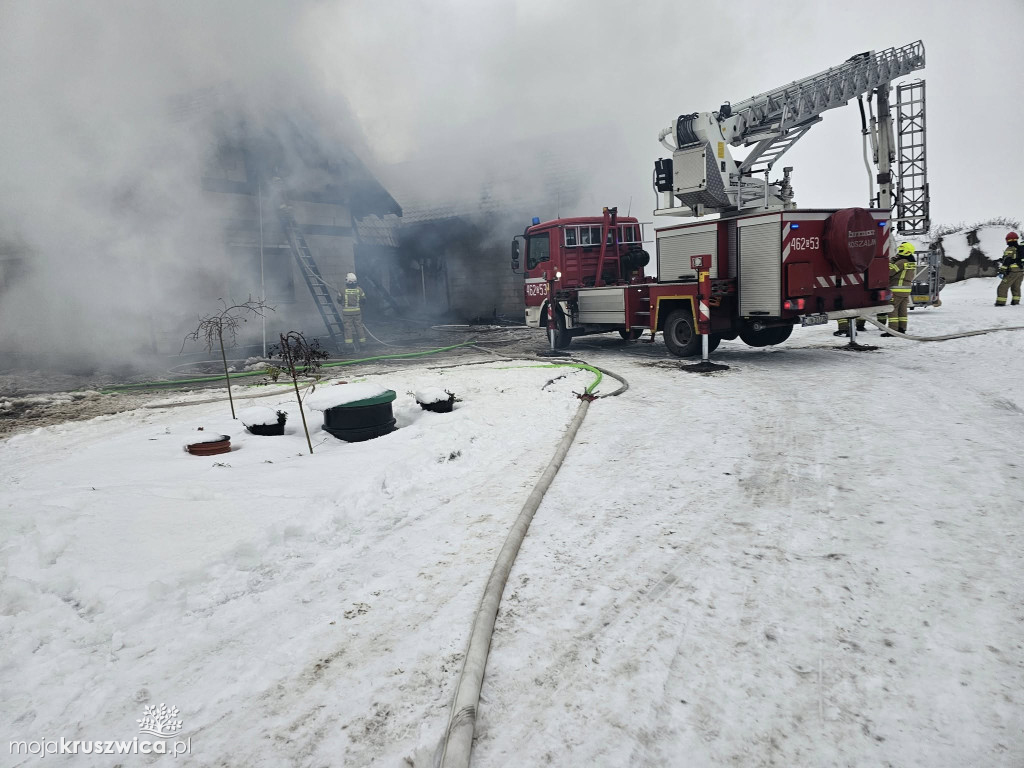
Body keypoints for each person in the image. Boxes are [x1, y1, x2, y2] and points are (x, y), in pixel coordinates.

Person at [881, 242, 917, 336]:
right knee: (902, 310)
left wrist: (892, 261)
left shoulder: (901, 262)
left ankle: (892, 330)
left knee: (893, 309)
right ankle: (902, 328)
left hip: (896, 289)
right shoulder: (911, 263)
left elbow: (889, 272)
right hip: (906, 290)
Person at [338, 272, 367, 352]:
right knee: (359, 327)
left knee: (348, 329)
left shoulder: (342, 290)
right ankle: (363, 344)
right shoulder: (359, 289)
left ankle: (349, 346)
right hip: (357, 312)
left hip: (347, 314)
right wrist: (360, 305)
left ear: (347, 280)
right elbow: (364, 300)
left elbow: (338, 300)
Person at [995, 232, 1024, 306]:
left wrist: (1002, 271)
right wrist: (1001, 259)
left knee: (1002, 287)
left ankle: (1000, 303)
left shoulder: (1010, 248)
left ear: (1008, 240)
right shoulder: (1020, 248)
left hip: (1012, 272)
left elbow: (1007, 260)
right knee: (1016, 287)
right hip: (1021, 271)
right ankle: (1015, 302)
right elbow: (1015, 258)